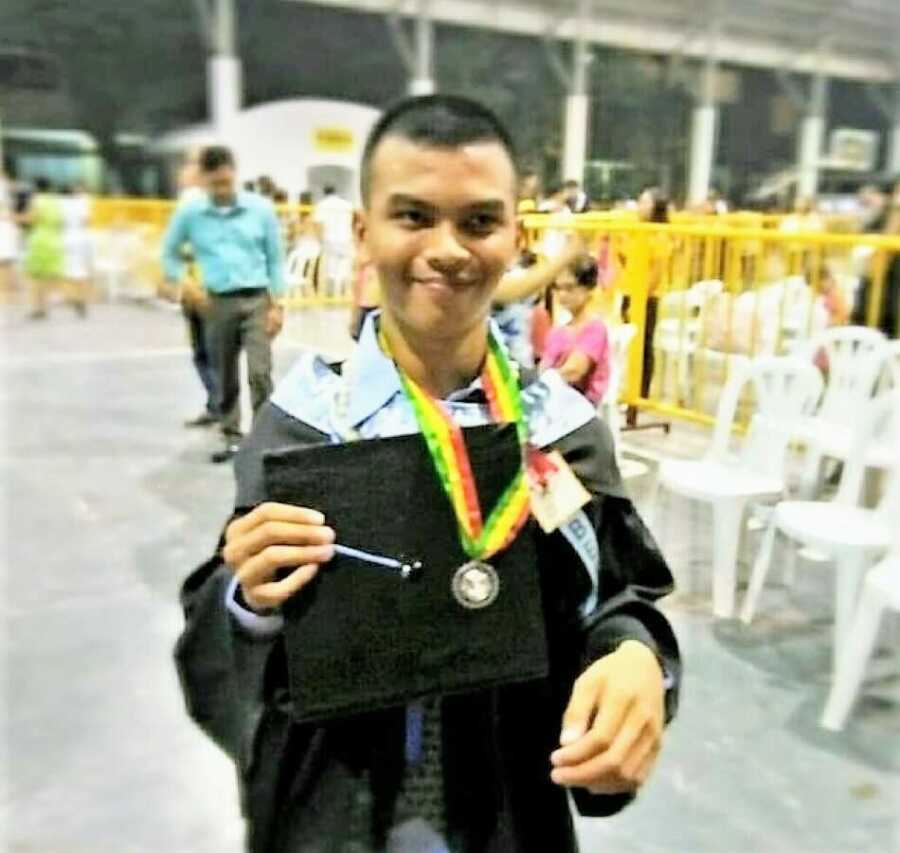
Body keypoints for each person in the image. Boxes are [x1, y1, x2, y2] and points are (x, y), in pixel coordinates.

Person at [175, 95, 680, 853]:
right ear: (362, 231)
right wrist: (249, 600)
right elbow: (228, 630)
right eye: (413, 216)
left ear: (516, 237)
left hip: (509, 808)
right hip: (338, 811)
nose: (447, 248)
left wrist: (635, 655)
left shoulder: (555, 432)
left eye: (478, 221)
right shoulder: (307, 427)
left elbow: (611, 596)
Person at [162, 145, 286, 463]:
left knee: (260, 371)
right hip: (217, 303)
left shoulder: (260, 209)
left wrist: (278, 304)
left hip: (257, 299)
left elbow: (275, 258)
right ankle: (232, 435)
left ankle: (262, 438)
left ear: (234, 174)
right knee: (224, 372)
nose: (221, 190)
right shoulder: (191, 213)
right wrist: (186, 282)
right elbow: (169, 252)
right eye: (214, 184)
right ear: (204, 180)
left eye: (226, 183)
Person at [622, 186, 671, 425]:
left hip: (647, 297)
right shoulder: (635, 230)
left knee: (643, 345)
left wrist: (641, 296)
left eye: (644, 202)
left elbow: (656, 273)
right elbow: (624, 254)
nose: (639, 206)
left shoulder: (659, 235)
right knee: (629, 344)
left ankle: (639, 395)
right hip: (630, 292)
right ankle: (628, 391)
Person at [540, 256, 611, 405]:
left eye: (569, 288)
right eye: (558, 288)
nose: (562, 295)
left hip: (580, 411)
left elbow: (574, 371)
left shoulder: (595, 329)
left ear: (588, 289)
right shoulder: (558, 330)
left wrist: (541, 385)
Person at [20, 177, 64, 320]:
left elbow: (31, 219)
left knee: (35, 277)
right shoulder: (55, 202)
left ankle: (37, 308)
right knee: (47, 277)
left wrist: (14, 217)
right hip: (54, 240)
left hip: (39, 240)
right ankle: (45, 307)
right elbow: (60, 222)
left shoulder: (36, 200)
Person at [313, 184, 355, 297]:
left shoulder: (321, 205)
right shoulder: (347, 205)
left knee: (331, 269)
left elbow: (319, 225)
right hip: (346, 238)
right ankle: (343, 292)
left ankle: (333, 294)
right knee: (344, 267)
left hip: (330, 240)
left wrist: (320, 241)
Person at [59, 183, 93, 317]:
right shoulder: (84, 202)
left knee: (67, 269)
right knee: (81, 270)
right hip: (81, 238)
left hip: (66, 237)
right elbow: (86, 221)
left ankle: (72, 297)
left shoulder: (62, 203)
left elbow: (60, 222)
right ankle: (81, 299)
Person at [0, 168, 20, 296]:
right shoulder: (8, 186)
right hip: (7, 223)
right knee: (6, 258)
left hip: (6, 224)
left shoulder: (6, 186)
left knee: (6, 258)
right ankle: (9, 285)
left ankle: (9, 285)